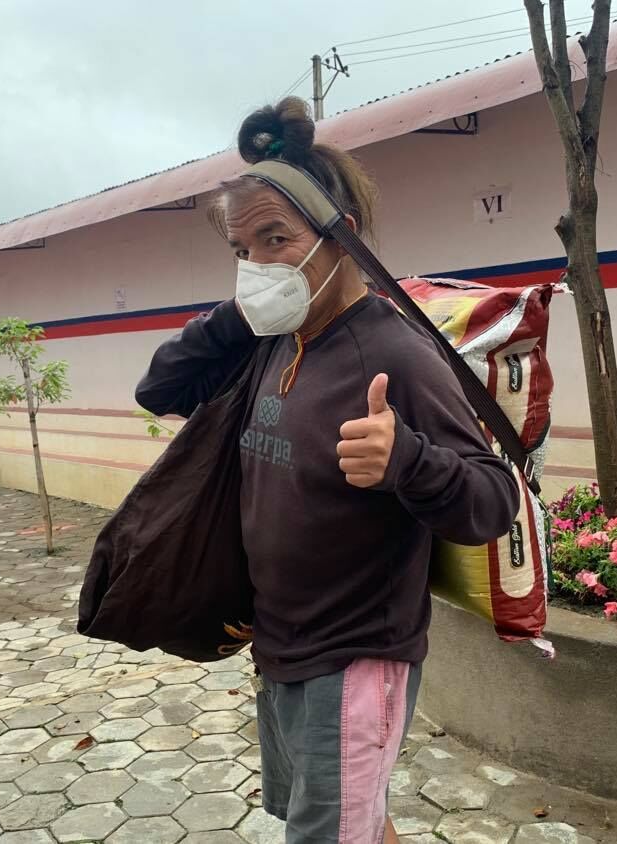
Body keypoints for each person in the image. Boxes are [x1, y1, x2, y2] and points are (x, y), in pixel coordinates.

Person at [136, 97, 519, 844]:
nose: (256, 264)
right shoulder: (274, 341)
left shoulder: (395, 354)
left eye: (276, 239)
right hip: (280, 643)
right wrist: (244, 307)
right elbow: (160, 389)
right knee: (354, 821)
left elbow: (491, 501)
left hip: (354, 656)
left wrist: (406, 459)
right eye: (242, 249)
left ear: (338, 236)